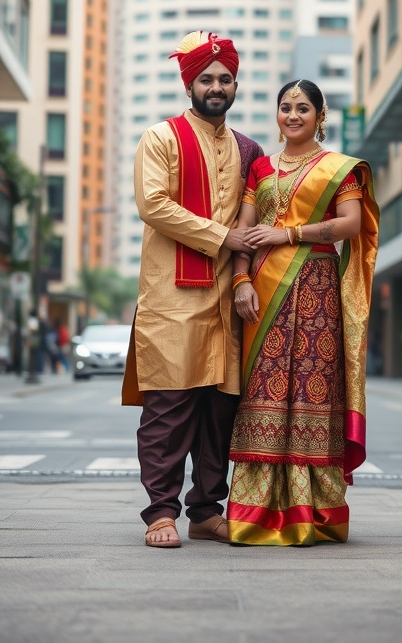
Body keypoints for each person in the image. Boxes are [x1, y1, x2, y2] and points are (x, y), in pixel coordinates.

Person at [122, 31, 263, 549]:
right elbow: (153, 205)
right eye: (207, 78)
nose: (217, 86)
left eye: (225, 79)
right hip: (172, 300)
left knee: (219, 413)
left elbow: (255, 220)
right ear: (190, 85)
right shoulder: (160, 139)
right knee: (168, 408)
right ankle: (160, 513)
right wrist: (223, 236)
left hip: (228, 300)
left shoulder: (249, 149)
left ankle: (206, 511)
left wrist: (244, 273)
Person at [227, 79, 379, 546]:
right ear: (277, 114)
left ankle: (315, 512)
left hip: (316, 290)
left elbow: (352, 223)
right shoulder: (260, 168)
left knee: (312, 388)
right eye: (286, 107)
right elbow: (243, 229)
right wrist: (240, 281)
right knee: (266, 387)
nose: (293, 116)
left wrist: (288, 235)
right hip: (264, 291)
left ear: (320, 116)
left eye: (303, 109)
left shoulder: (339, 169)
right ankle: (257, 514)